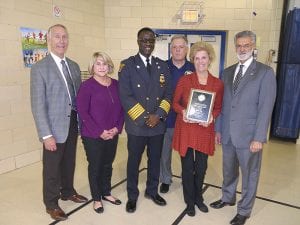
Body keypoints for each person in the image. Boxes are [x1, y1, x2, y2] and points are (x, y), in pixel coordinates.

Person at [210, 30, 276, 225]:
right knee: (228, 169)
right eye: (239, 45)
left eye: (246, 45)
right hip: (229, 134)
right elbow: (222, 105)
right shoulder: (227, 72)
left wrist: (259, 137)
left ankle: (244, 210)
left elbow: (266, 108)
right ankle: (227, 197)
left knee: (250, 175)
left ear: (253, 47)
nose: (242, 49)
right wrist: (219, 129)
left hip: (249, 137)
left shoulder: (265, 73)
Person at [30, 24, 87, 221]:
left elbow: (78, 97)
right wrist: (46, 135)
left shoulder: (73, 66)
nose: (61, 41)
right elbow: (38, 104)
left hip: (72, 124)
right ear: (49, 40)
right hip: (53, 127)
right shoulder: (39, 68)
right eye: (57, 37)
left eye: (64, 37)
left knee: (69, 162)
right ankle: (51, 203)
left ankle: (68, 191)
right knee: (52, 168)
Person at [118, 27, 172, 213]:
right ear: (138, 41)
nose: (147, 44)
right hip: (137, 126)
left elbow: (168, 93)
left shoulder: (162, 65)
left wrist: (158, 115)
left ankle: (151, 191)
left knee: (155, 160)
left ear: (154, 43)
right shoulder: (127, 65)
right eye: (144, 40)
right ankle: (132, 196)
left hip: (157, 125)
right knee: (134, 162)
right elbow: (125, 95)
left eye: (150, 41)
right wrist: (144, 117)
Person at [172, 41, 224, 217]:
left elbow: (218, 107)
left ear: (210, 59)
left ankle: (198, 198)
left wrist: (212, 117)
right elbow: (175, 103)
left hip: (204, 130)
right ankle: (189, 201)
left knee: (201, 167)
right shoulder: (185, 80)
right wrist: (183, 111)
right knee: (187, 168)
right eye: (197, 58)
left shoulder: (217, 84)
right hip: (186, 128)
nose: (200, 61)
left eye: (204, 58)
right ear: (192, 60)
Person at [76, 52, 124, 214]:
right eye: (98, 64)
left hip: (113, 133)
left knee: (107, 164)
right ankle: (97, 198)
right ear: (92, 67)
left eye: (104, 63)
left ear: (109, 66)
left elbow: (122, 109)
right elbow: (83, 113)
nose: (102, 67)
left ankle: (106, 193)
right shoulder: (86, 86)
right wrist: (99, 132)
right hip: (92, 135)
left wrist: (117, 128)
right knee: (96, 166)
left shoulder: (117, 84)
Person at [159, 35, 194, 194]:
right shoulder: (162, 67)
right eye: (174, 47)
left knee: (185, 154)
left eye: (181, 47)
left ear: (186, 48)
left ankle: (187, 180)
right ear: (170, 49)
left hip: (186, 120)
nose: (178, 50)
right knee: (164, 154)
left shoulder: (194, 68)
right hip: (166, 120)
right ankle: (165, 179)